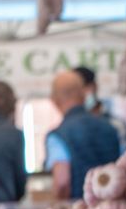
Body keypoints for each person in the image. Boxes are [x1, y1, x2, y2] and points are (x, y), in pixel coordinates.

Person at [45, 70, 120, 200]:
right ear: (83, 95)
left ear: (54, 100)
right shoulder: (110, 128)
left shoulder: (57, 136)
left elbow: (62, 183)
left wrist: (59, 208)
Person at [73, 65, 126, 152]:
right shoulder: (70, 128)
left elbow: (125, 156)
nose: (80, 96)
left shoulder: (115, 125)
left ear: (94, 87)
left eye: (84, 89)